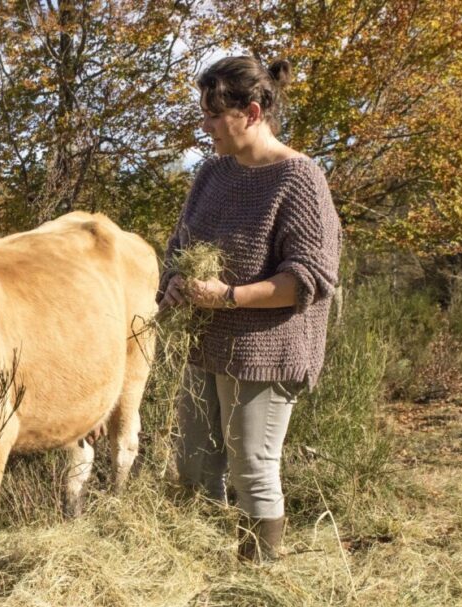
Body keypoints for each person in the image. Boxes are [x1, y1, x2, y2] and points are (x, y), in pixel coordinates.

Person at [157, 56, 341, 562]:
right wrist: (173, 282)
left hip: (267, 352)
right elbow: (179, 247)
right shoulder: (212, 174)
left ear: (253, 111)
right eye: (204, 114)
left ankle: (258, 585)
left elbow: (309, 278)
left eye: (215, 115)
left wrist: (229, 296)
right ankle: (203, 569)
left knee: (252, 468)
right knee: (195, 464)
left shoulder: (299, 180)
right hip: (204, 345)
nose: (206, 126)